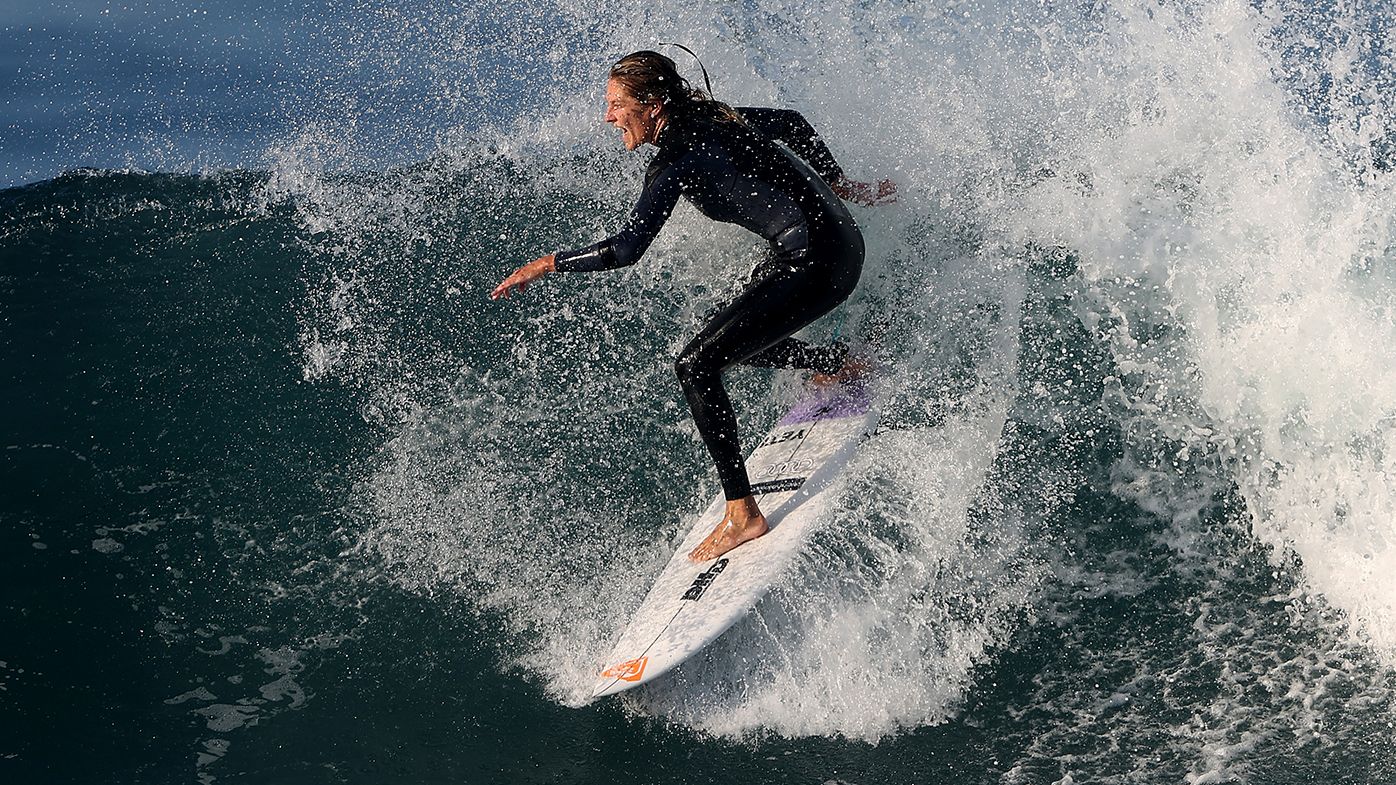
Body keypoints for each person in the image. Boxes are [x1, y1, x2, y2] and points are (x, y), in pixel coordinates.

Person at [491, 50, 894, 561]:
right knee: (722, 337)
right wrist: (838, 184)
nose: (608, 117)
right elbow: (792, 123)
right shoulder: (715, 115)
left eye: (617, 105)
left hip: (816, 261)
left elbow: (625, 249)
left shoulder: (674, 161)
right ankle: (837, 365)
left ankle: (743, 515)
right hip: (837, 240)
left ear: (652, 104)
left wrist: (547, 263)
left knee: (696, 362)